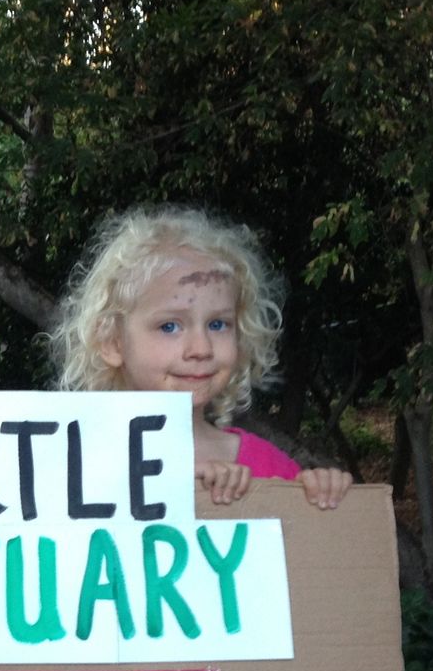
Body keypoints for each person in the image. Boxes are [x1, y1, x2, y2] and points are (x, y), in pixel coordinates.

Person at [50, 205, 352, 509]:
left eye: (218, 324)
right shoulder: (67, 468)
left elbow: (318, 546)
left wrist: (321, 496)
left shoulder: (270, 469)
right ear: (113, 342)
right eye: (169, 326)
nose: (201, 348)